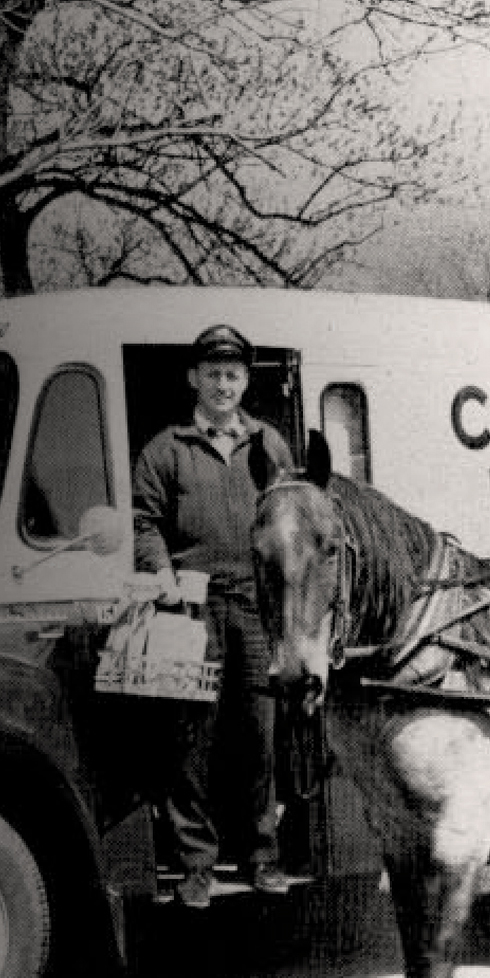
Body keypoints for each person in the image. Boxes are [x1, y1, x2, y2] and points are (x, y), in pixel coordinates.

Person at [132, 323, 295, 907]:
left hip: (254, 610)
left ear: (245, 380)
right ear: (193, 379)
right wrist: (165, 578)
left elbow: (292, 514)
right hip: (188, 613)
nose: (223, 384)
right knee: (189, 743)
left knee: (258, 738)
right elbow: (142, 522)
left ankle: (261, 858)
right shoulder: (166, 448)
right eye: (213, 374)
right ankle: (196, 868)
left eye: (233, 374)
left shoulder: (268, 445)